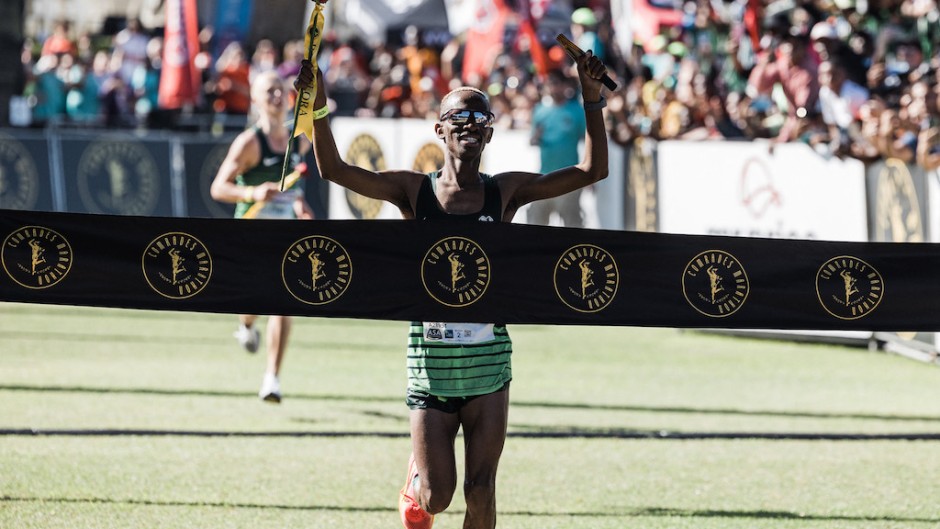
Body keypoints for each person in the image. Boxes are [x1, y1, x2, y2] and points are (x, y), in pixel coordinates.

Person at [295, 48, 609, 529]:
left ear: (490, 132)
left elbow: (591, 171)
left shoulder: (505, 192)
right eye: (458, 117)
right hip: (430, 371)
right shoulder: (413, 191)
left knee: (481, 490)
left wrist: (591, 98)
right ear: (439, 130)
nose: (469, 124)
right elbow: (335, 170)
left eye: (479, 117)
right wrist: (317, 105)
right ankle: (416, 480)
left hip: (489, 370)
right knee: (436, 497)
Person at [210, 70, 315, 403]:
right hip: (251, 233)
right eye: (270, 91)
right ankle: (246, 326)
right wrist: (253, 193)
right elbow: (218, 187)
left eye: (281, 90)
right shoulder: (249, 142)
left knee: (283, 302)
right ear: (255, 99)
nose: (277, 96)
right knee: (253, 302)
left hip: (284, 237)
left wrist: (299, 203)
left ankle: (272, 378)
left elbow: (293, 182)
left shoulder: (299, 139)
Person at [528, 69, 586, 226]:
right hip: (544, 175)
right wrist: (536, 137)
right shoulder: (540, 111)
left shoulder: (576, 111)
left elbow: (587, 140)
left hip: (570, 177)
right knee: (536, 224)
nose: (553, 88)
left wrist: (589, 174)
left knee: (572, 225)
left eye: (556, 83)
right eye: (550, 84)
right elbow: (532, 141)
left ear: (565, 85)